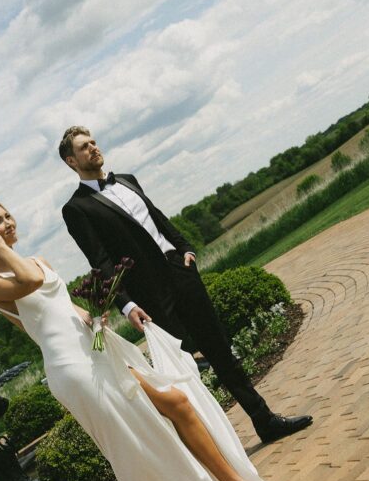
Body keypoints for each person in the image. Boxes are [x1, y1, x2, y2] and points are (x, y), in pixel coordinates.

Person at [0, 200, 280, 481]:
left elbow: (59, 309)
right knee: (134, 443)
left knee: (176, 401)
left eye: (6, 216)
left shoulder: (40, 261)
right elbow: (31, 296)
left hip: (97, 348)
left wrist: (93, 316)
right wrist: (0, 249)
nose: (7, 224)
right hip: (73, 370)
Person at [59, 126, 312, 444]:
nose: (93, 148)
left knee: (221, 350)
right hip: (150, 295)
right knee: (182, 372)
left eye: (94, 142)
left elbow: (158, 218)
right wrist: (125, 303)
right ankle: (215, 448)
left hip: (181, 273)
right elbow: (101, 261)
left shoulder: (127, 179)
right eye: (84, 147)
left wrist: (185, 248)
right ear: (71, 160)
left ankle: (265, 421)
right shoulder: (77, 208)